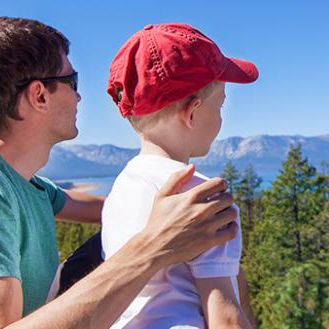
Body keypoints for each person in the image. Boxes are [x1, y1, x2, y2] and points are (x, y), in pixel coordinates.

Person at [0, 17, 237, 329]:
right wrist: (152, 249)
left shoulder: (20, 181)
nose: (80, 96)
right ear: (39, 95)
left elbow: (96, 205)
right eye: (71, 82)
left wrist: (177, 209)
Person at [100, 23, 258, 329]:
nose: (221, 117)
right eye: (220, 105)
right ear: (192, 113)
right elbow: (224, 317)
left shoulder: (123, 187)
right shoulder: (201, 197)